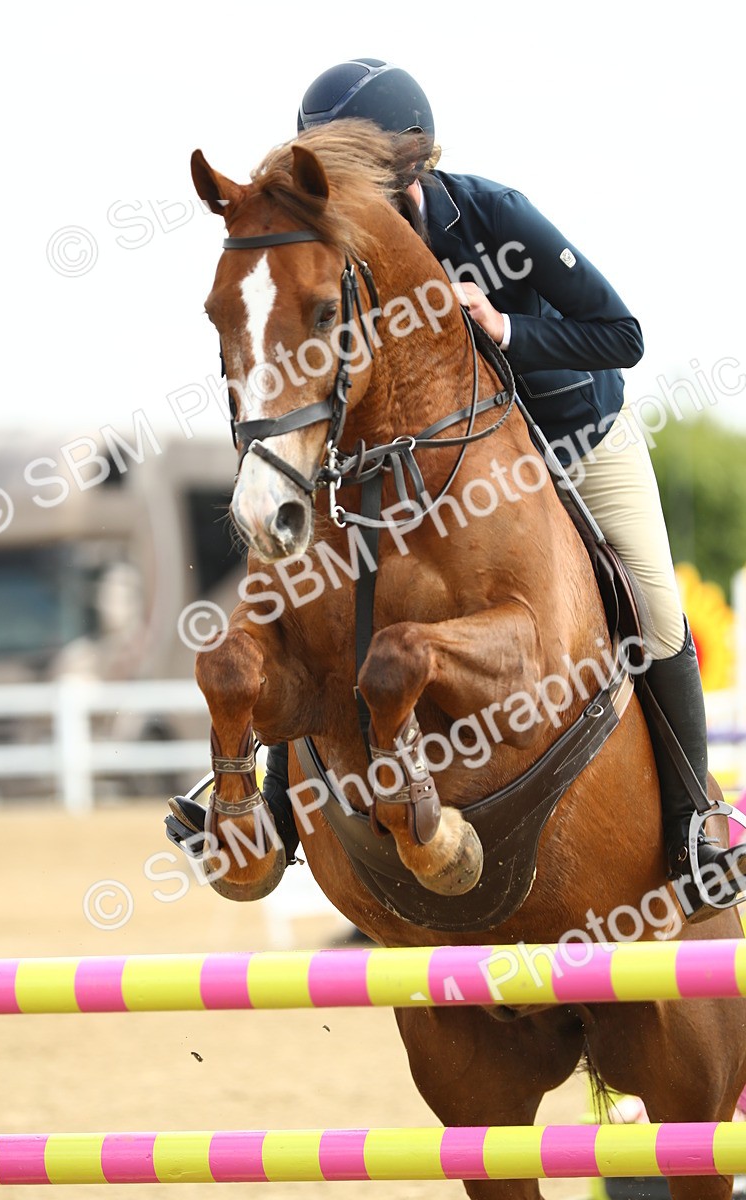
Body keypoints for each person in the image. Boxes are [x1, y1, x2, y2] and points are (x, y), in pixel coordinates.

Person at [261, 57, 746, 921]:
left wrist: (504, 325)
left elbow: (622, 333)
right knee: (322, 603)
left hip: (575, 440)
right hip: (441, 471)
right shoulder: (340, 254)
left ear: (406, 163)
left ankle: (693, 824)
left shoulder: (493, 216)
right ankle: (272, 808)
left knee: (656, 604)